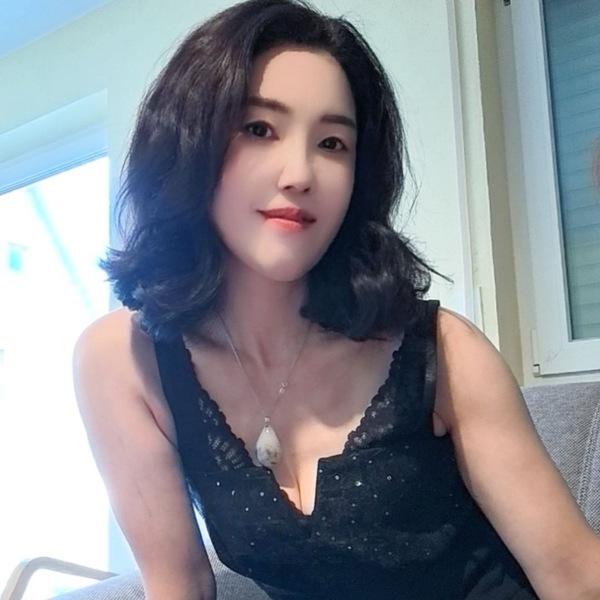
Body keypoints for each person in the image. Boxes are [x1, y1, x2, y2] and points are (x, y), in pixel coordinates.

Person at [72, 1, 600, 598]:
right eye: (258, 129)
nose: (299, 173)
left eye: (331, 143)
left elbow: (576, 577)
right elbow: (180, 584)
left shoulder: (444, 352)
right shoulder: (123, 362)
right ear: (188, 143)